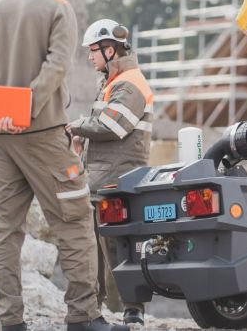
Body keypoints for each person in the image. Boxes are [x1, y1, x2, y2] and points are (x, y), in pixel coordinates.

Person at [0, 0, 128, 331]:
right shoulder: (57, 8)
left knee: (5, 230)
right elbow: (56, 66)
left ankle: (10, 320)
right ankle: (83, 316)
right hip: (45, 132)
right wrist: (25, 109)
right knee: (74, 222)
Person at [67, 19, 153, 326]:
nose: (90, 58)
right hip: (104, 179)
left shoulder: (130, 83)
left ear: (110, 49)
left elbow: (113, 126)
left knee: (121, 247)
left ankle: (134, 311)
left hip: (121, 180)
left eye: (94, 51)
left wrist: (74, 126)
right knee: (98, 249)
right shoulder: (112, 82)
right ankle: (97, 310)